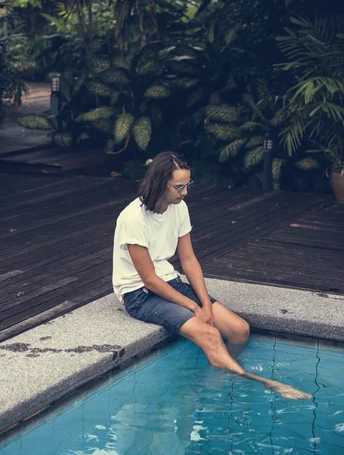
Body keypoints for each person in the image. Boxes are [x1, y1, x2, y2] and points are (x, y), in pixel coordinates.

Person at [112, 151, 312, 400]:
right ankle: (263, 383)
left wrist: (205, 302)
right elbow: (149, 280)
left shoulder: (179, 207)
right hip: (140, 293)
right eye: (179, 187)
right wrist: (195, 308)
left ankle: (213, 378)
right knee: (209, 333)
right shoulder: (133, 218)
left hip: (170, 282)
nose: (185, 192)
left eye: (188, 185)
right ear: (160, 183)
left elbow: (188, 259)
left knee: (239, 330)